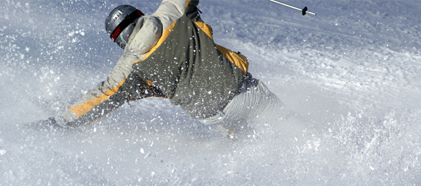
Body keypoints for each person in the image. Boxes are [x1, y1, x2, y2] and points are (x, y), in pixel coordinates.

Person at [34, 0, 284, 138]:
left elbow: (101, 98)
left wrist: (60, 123)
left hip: (212, 115)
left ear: (119, 40)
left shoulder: (129, 68)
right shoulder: (170, 12)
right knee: (288, 125)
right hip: (243, 93)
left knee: (244, 140)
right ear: (139, 14)